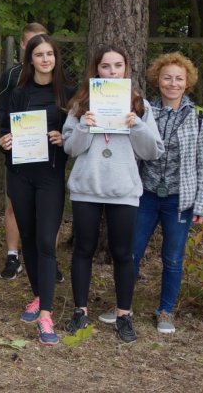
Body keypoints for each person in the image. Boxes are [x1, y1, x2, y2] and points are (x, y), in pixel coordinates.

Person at [102, 53, 203, 334]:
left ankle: (165, 310)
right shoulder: (144, 110)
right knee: (131, 252)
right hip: (145, 194)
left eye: (179, 78)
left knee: (173, 258)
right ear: (158, 80)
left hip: (180, 199)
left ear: (187, 82)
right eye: (167, 78)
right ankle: (122, 306)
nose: (172, 83)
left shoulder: (199, 117)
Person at [63, 44, 164, 343]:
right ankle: (80, 312)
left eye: (118, 66)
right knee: (83, 249)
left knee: (122, 253)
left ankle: (124, 315)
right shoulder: (81, 104)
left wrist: (137, 126)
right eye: (105, 66)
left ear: (126, 69)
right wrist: (84, 126)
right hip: (87, 189)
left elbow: (152, 151)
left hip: (123, 190)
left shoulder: (140, 105)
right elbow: (70, 148)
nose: (112, 72)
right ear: (96, 70)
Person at [0, 35, 75, 345]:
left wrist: (63, 139)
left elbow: (77, 134)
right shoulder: (18, 93)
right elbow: (6, 131)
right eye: (39, 54)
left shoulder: (68, 93)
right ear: (30, 59)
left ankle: (46, 315)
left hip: (50, 176)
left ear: (56, 57)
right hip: (20, 175)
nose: (45, 59)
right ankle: (39, 295)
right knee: (28, 238)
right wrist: (5, 143)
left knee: (45, 240)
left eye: (49, 54)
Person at [0, 22, 48, 280]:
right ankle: (13, 256)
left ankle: (46, 258)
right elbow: (1, 111)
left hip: (47, 153)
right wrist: (9, 135)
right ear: (23, 45)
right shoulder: (11, 75)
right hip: (19, 150)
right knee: (14, 205)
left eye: (42, 41)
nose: (38, 48)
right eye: (31, 43)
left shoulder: (57, 75)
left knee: (46, 208)